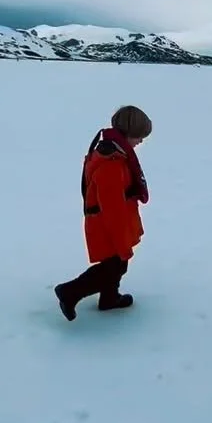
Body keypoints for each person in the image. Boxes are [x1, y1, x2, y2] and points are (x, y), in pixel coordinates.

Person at [55, 105, 152, 321]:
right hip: (107, 226)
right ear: (127, 133)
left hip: (108, 222)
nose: (141, 141)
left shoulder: (112, 151)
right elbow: (112, 209)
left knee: (115, 264)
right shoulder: (112, 165)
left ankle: (109, 298)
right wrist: (121, 241)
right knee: (114, 266)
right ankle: (69, 292)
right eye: (139, 136)